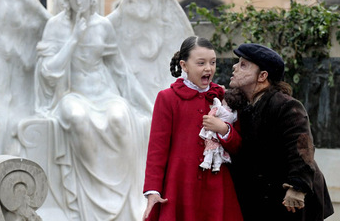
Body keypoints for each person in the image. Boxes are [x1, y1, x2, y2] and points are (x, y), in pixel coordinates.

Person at [33, 0, 152, 220]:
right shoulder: (56, 26)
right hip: (71, 94)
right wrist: (74, 37)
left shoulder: (103, 26)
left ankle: (119, 197)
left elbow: (121, 71)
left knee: (120, 119)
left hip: (104, 94)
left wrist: (147, 105)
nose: (80, 0)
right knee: (77, 119)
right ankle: (91, 197)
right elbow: (49, 71)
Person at [228, 43, 334, 221]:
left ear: (262, 76)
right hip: (265, 197)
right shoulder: (244, 106)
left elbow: (302, 145)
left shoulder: (285, 105)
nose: (234, 67)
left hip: (291, 200)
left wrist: (298, 186)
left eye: (243, 64)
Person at [142, 36, 243, 221]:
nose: (208, 68)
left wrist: (223, 129)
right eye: (201, 63)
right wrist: (152, 190)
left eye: (213, 62)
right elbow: (157, 150)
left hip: (217, 186)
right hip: (179, 185)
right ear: (184, 65)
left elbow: (238, 146)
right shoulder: (168, 98)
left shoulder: (225, 97)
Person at [199, 88, 247, 172]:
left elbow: (214, 111)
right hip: (219, 137)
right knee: (218, 152)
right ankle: (216, 166)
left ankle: (207, 163)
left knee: (210, 150)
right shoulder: (234, 114)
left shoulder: (221, 109)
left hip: (213, 133)